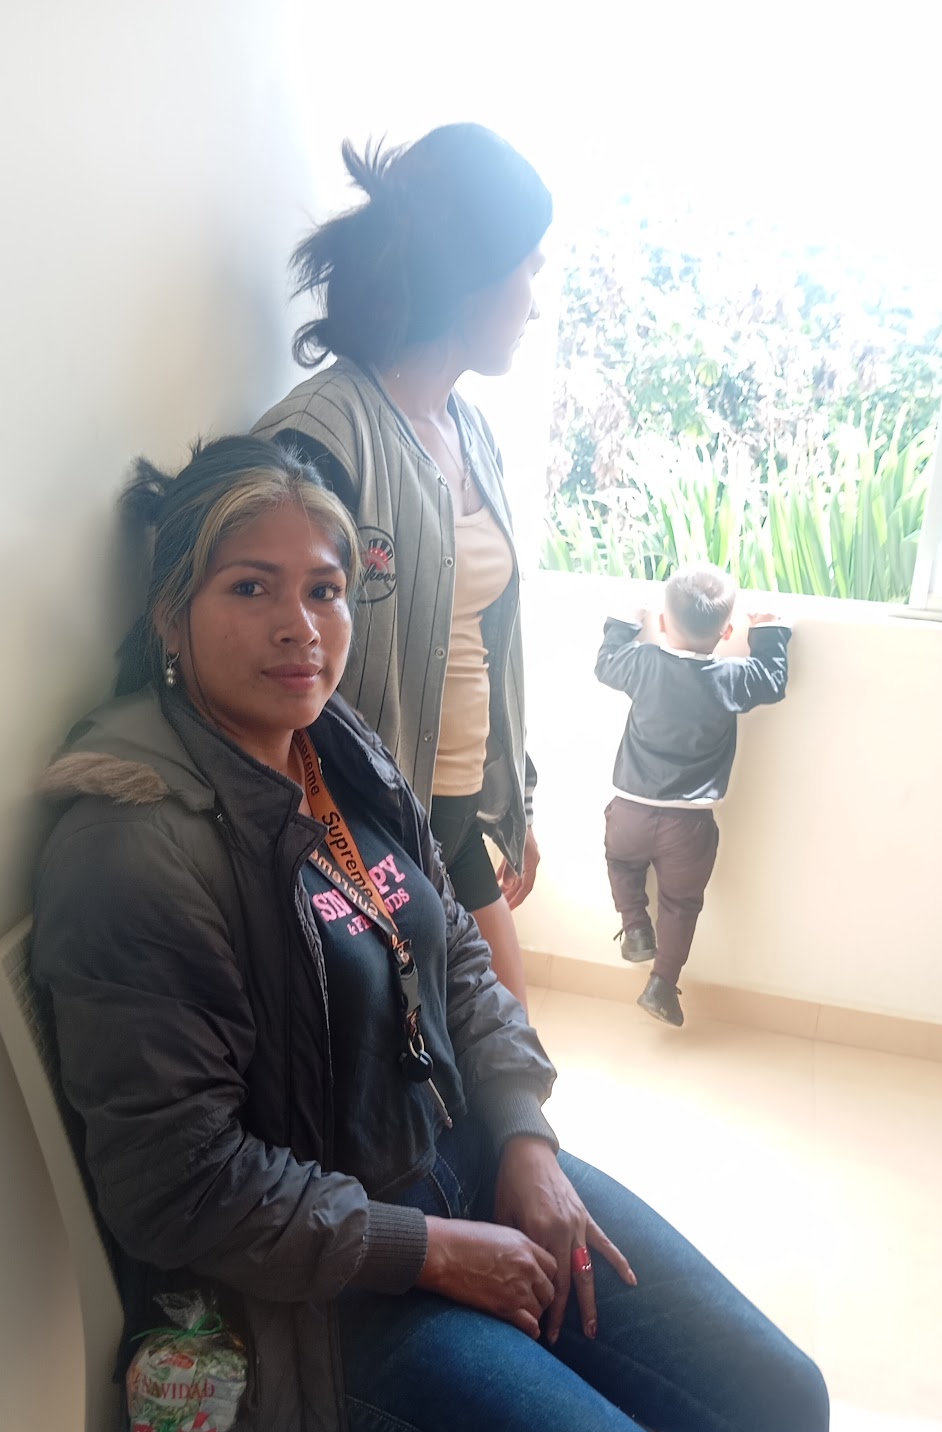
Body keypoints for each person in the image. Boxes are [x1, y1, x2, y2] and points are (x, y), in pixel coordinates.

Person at [32, 437, 853, 1432]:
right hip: (323, 1311)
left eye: (323, 589)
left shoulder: (334, 750)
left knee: (779, 1399)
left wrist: (522, 1137)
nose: (299, 627)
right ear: (171, 615)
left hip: (459, 1165)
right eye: (250, 587)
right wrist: (431, 1251)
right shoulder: (132, 850)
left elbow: (455, 951)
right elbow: (178, 1183)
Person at [253, 122, 551, 1008]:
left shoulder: (470, 431)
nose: (535, 304)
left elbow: (482, 641)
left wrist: (512, 795)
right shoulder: (319, 439)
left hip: (450, 815)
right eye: (530, 269)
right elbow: (260, 670)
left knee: (512, 1056)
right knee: (446, 1071)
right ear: (474, 276)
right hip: (363, 837)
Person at [595, 564, 792, 1027]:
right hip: (689, 825)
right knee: (680, 903)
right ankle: (662, 985)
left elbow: (606, 663)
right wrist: (767, 630)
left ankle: (636, 927)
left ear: (663, 623)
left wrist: (625, 619)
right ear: (727, 632)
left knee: (621, 862)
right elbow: (773, 679)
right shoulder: (732, 676)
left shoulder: (644, 663)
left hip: (630, 810)